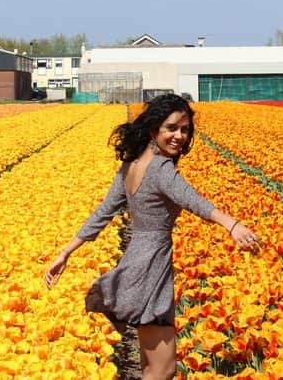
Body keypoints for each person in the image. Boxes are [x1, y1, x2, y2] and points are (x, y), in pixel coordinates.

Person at [44, 94, 262, 380]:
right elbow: (192, 200)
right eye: (171, 128)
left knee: (151, 367)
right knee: (164, 369)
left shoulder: (130, 166)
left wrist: (66, 252)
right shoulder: (161, 169)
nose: (179, 136)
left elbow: (102, 213)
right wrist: (232, 225)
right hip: (151, 268)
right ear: (154, 129)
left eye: (185, 130)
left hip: (137, 260)